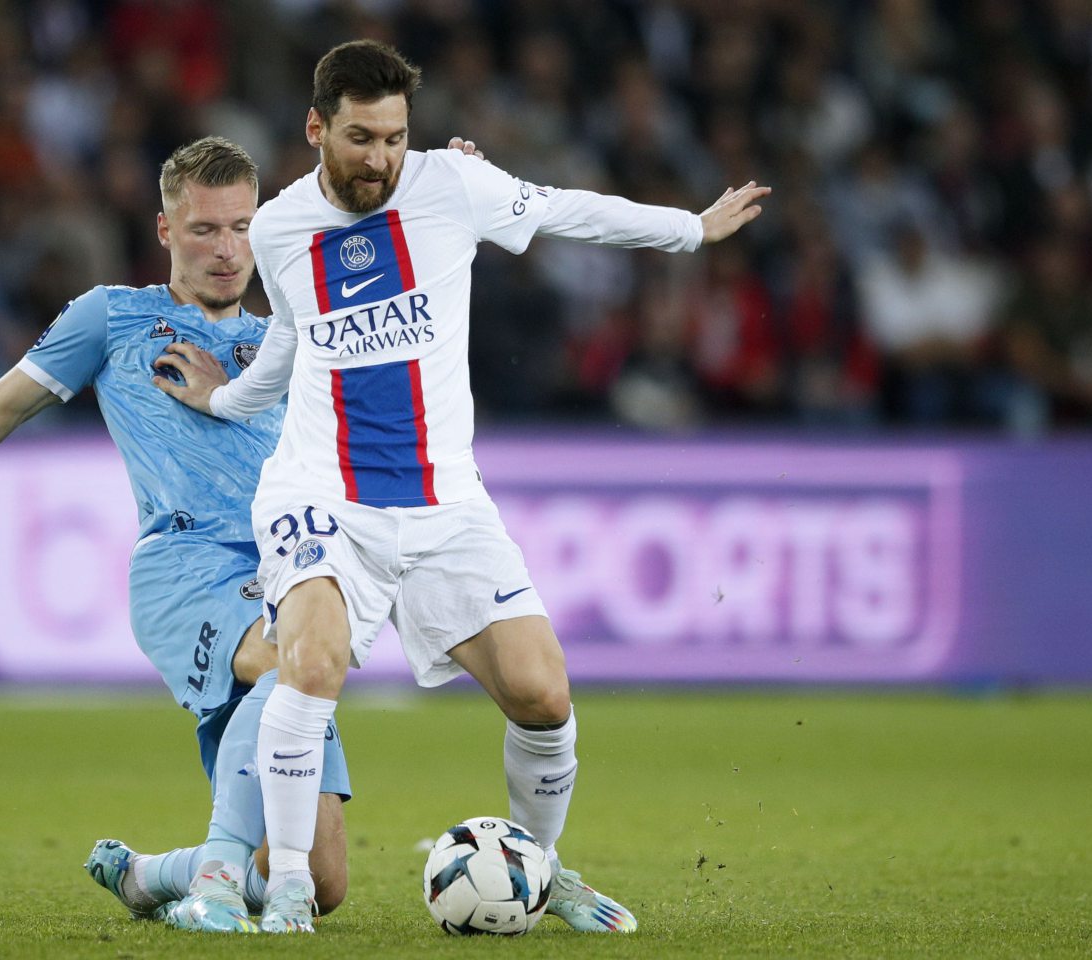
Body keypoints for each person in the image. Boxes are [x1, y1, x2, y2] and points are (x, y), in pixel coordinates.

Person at [157, 40, 769, 934]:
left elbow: (568, 210)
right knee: (313, 662)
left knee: (542, 695)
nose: (381, 159)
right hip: (323, 495)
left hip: (446, 506)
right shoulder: (282, 228)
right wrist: (226, 399)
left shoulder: (451, 186)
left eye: (397, 138)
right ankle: (287, 881)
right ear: (317, 128)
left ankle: (538, 867)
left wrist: (691, 228)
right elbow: (293, 343)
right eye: (362, 138)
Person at [0, 136, 388, 933]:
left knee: (319, 876)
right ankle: (212, 876)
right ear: (165, 231)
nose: (226, 249)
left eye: (242, 228)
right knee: (295, 657)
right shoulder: (113, 317)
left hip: (285, 571)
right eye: (204, 229)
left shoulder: (286, 339)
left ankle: (149, 875)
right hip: (186, 567)